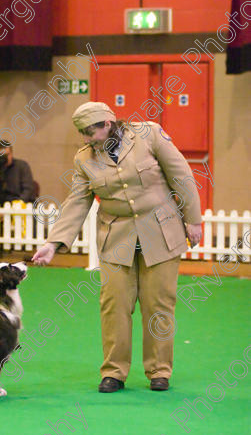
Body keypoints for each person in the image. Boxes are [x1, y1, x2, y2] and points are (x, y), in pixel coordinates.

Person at [32, 102, 202, 393]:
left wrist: (193, 220)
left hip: (160, 229)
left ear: (107, 123)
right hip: (116, 236)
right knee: (114, 305)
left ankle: (159, 371)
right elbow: (77, 201)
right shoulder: (84, 158)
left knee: (158, 304)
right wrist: (53, 243)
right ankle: (114, 372)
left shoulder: (150, 135)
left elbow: (181, 176)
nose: (86, 139)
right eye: (81, 133)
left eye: (90, 132)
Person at [0, 141, 35, 205]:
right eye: (1, 155)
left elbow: (28, 189)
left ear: (12, 153)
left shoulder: (22, 166)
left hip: (17, 199)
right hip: (0, 200)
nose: (5, 158)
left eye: (7, 155)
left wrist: (19, 203)